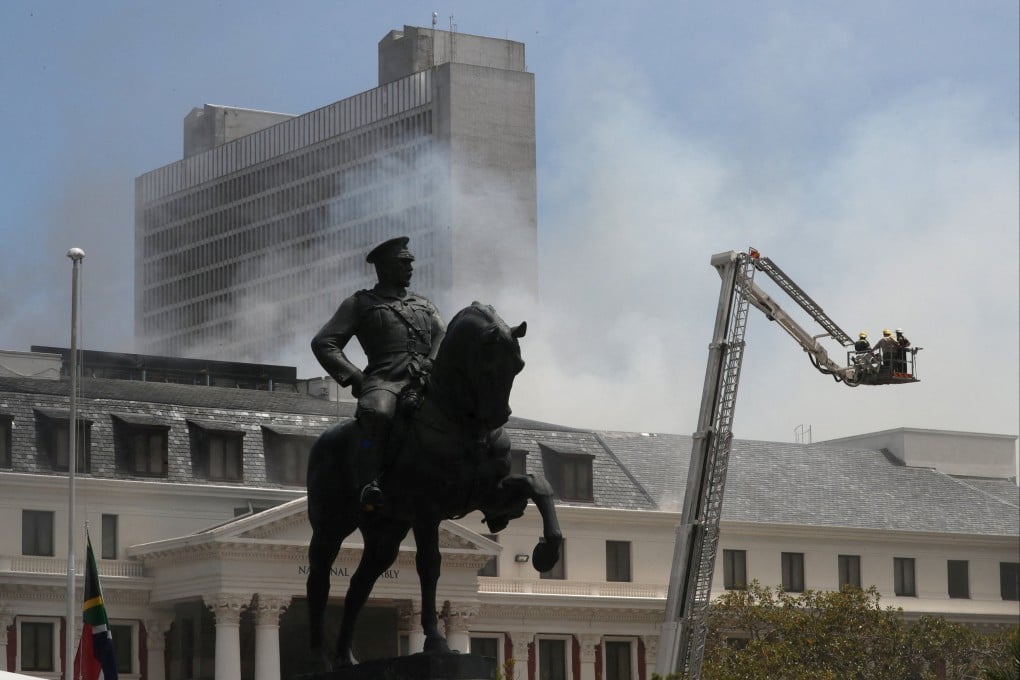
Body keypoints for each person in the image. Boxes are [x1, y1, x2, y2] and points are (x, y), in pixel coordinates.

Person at [311, 236, 446, 511]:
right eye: (403, 263)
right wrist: (355, 378)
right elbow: (324, 343)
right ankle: (369, 483)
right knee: (379, 414)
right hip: (385, 380)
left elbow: (442, 334)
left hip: (424, 379)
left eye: (410, 262)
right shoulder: (360, 304)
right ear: (384, 268)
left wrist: (430, 363)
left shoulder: (424, 304)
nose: (410, 267)